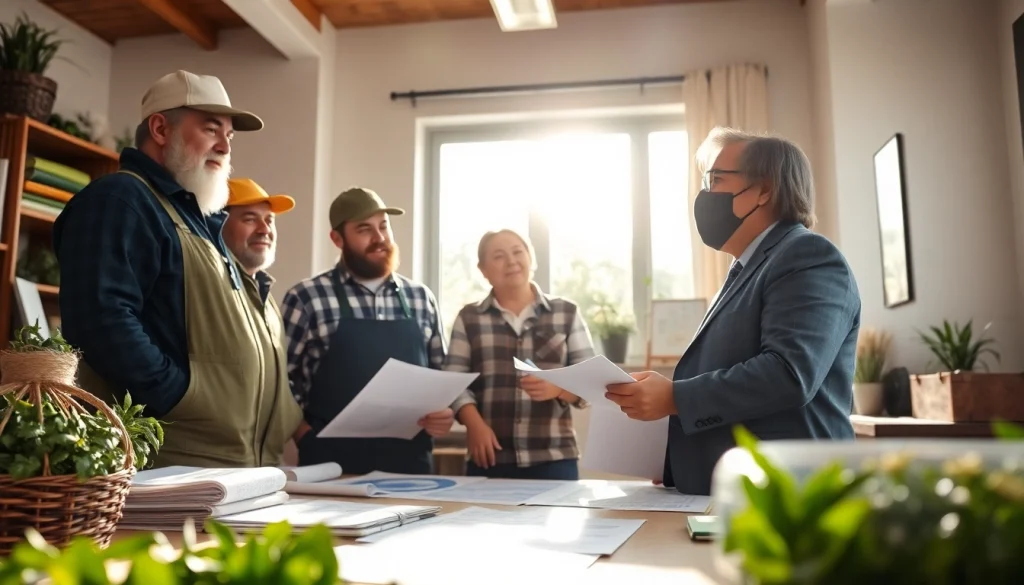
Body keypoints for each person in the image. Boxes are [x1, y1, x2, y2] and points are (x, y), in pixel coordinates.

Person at [54, 70, 300, 468]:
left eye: (229, 137)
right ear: (160, 128)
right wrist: (180, 396)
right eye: (210, 129)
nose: (224, 145)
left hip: (225, 469)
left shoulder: (197, 219)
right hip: (171, 466)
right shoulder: (121, 199)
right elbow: (101, 321)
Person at [605, 127, 861, 496]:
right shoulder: (746, 269)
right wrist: (679, 461)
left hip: (794, 494)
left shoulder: (808, 257)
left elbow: (788, 373)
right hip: (748, 489)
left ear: (764, 190)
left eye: (716, 179)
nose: (704, 194)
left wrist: (674, 397)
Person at [281, 187, 454, 475]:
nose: (380, 238)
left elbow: (442, 375)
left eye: (384, 226)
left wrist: (444, 414)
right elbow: (280, 382)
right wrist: (301, 433)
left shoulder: (421, 298)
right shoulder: (306, 298)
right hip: (328, 463)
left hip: (410, 465)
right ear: (337, 239)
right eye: (364, 229)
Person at [445, 229, 594, 480]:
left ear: (531, 258)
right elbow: (453, 381)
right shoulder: (469, 318)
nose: (511, 261)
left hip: (555, 458)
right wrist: (474, 425)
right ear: (483, 269)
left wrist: (557, 389)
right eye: (499, 256)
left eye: (518, 252)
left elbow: (591, 382)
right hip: (489, 457)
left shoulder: (566, 312)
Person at [221, 177, 307, 455]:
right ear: (217, 224)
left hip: (265, 464)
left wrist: (302, 431)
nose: (264, 229)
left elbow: (277, 383)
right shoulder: (211, 288)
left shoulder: (267, 298)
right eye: (250, 219)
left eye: (269, 220)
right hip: (218, 463)